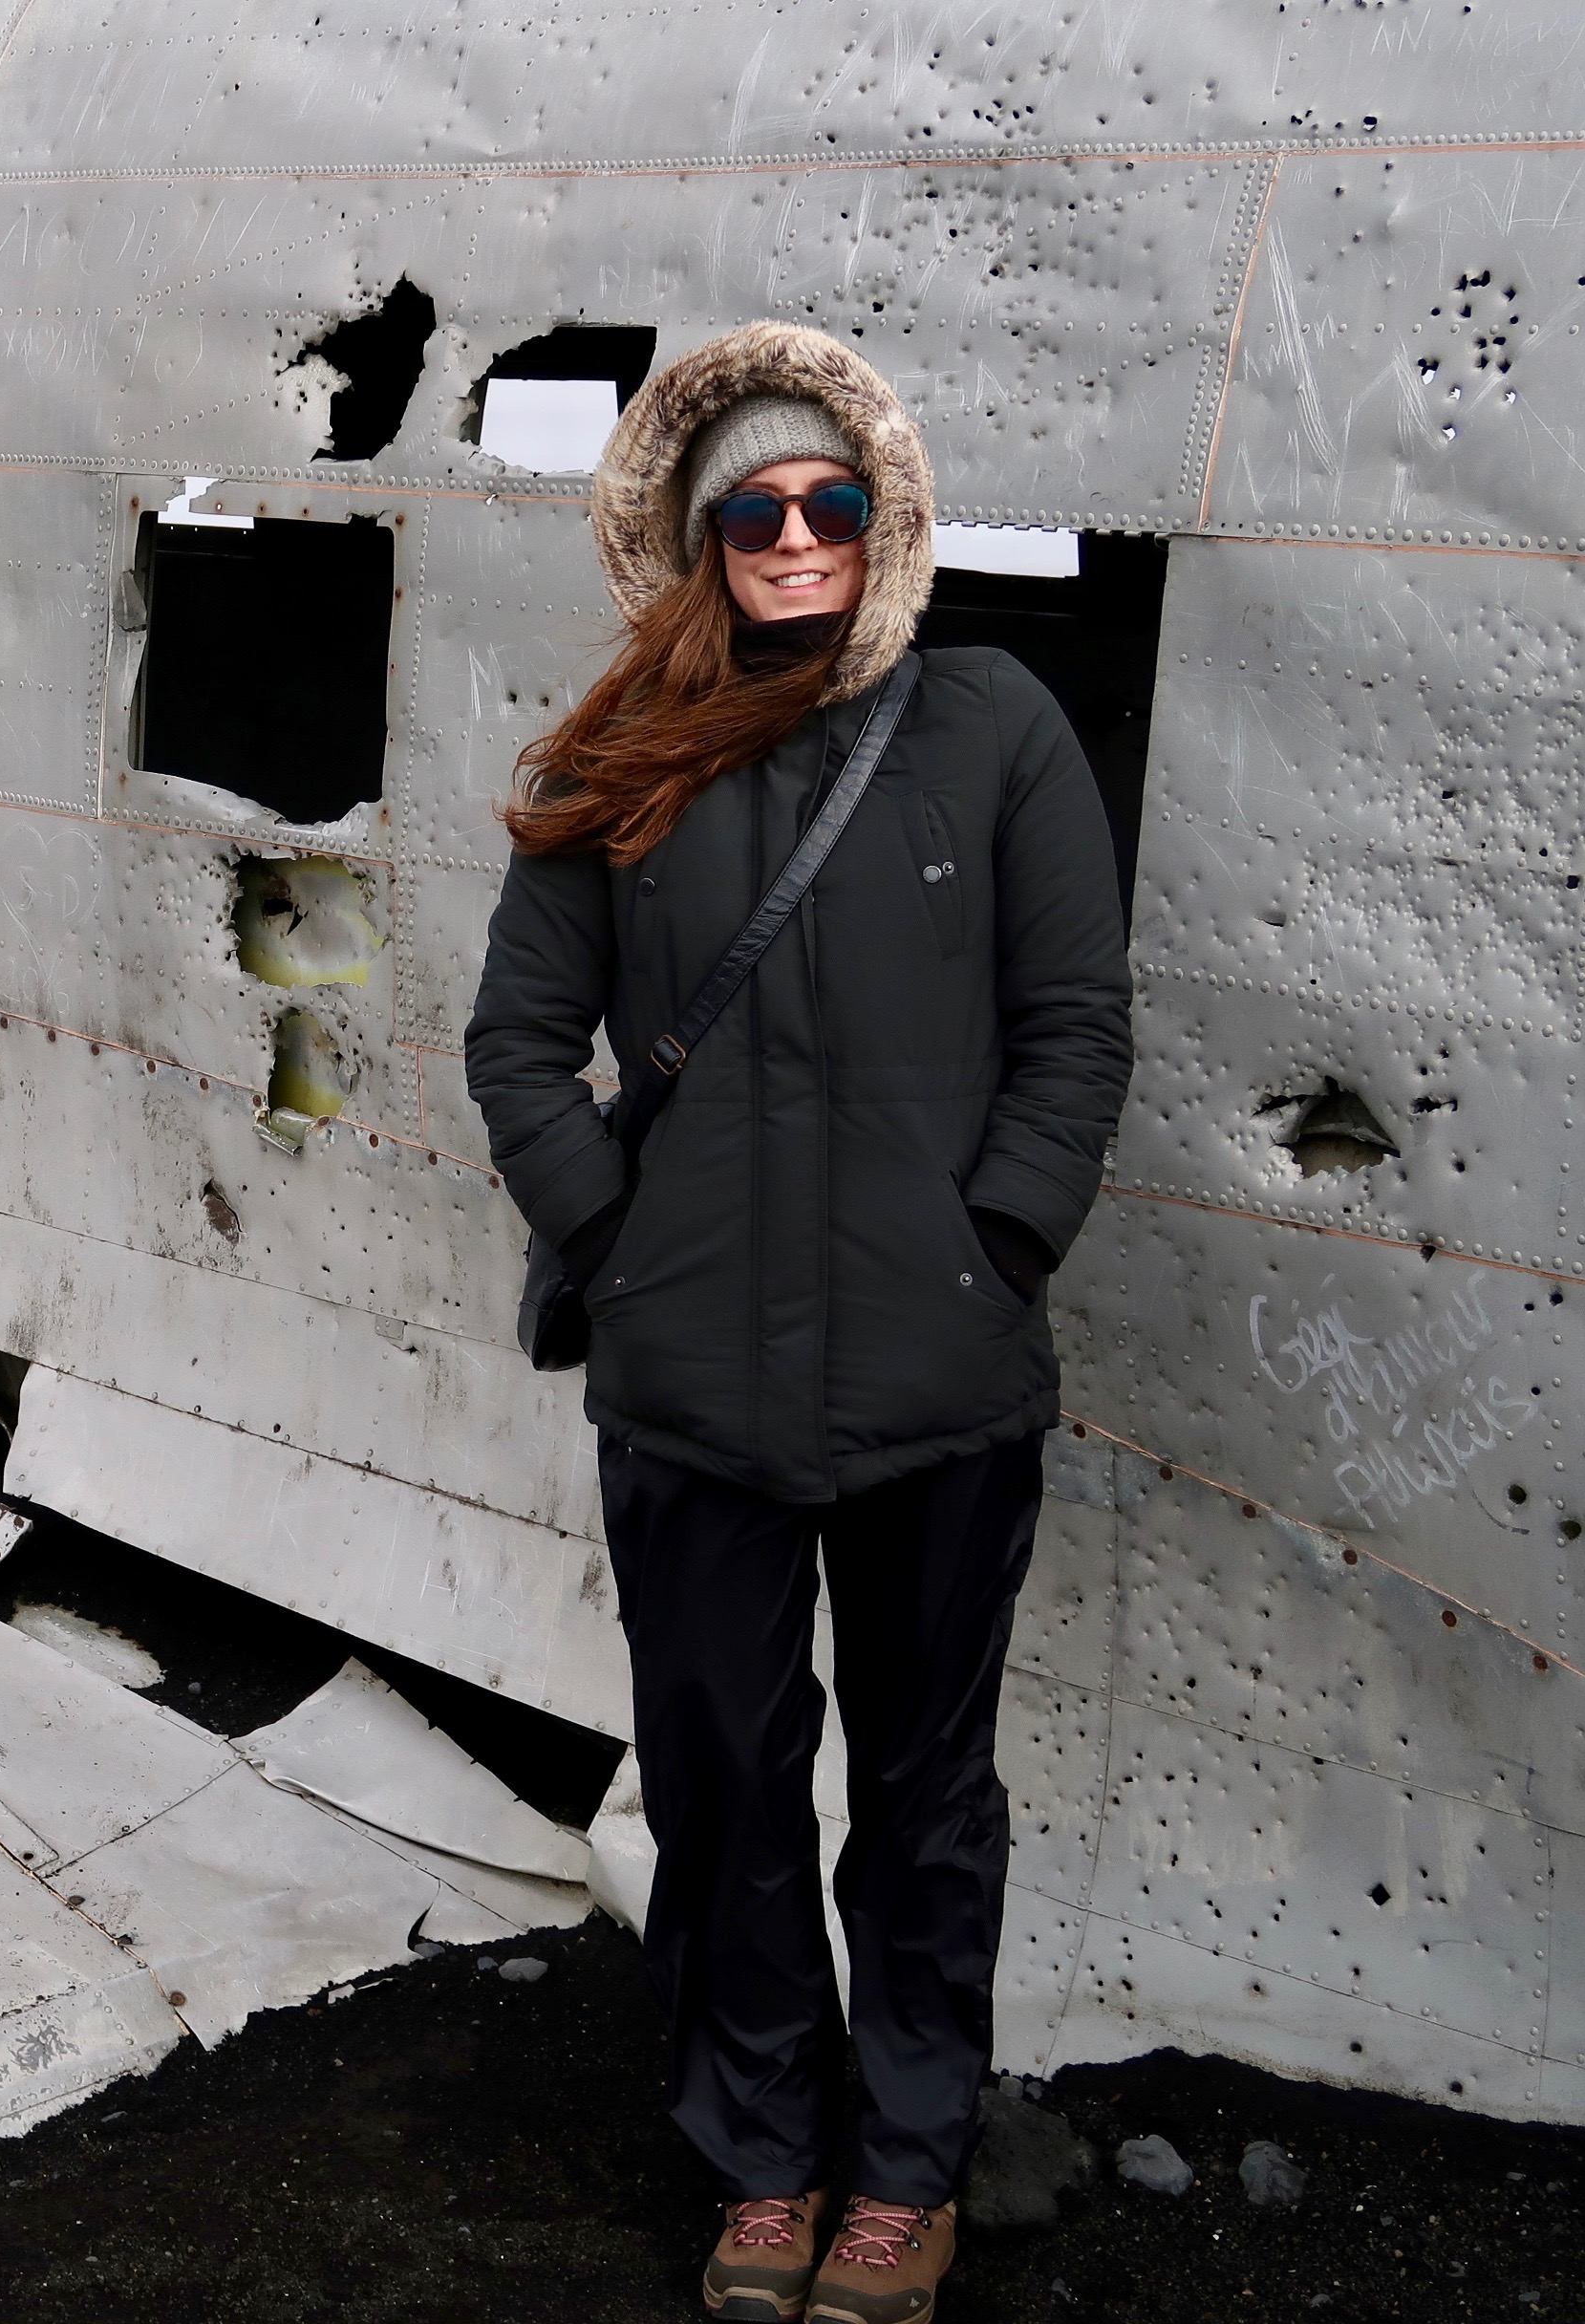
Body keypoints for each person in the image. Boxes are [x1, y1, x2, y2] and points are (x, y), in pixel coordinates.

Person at [464, 322, 1133, 2323]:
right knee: (728, 1789)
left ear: (883, 512)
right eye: (747, 512)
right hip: (693, 1392)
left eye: (826, 500)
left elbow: (1075, 1026)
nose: (792, 538)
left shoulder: (993, 725)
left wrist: (994, 1246)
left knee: (925, 1801)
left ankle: (905, 2172)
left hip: (943, 1384)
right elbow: (516, 1044)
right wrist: (625, 1247)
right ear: (696, 540)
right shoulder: (622, 753)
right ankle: (767, 2155)